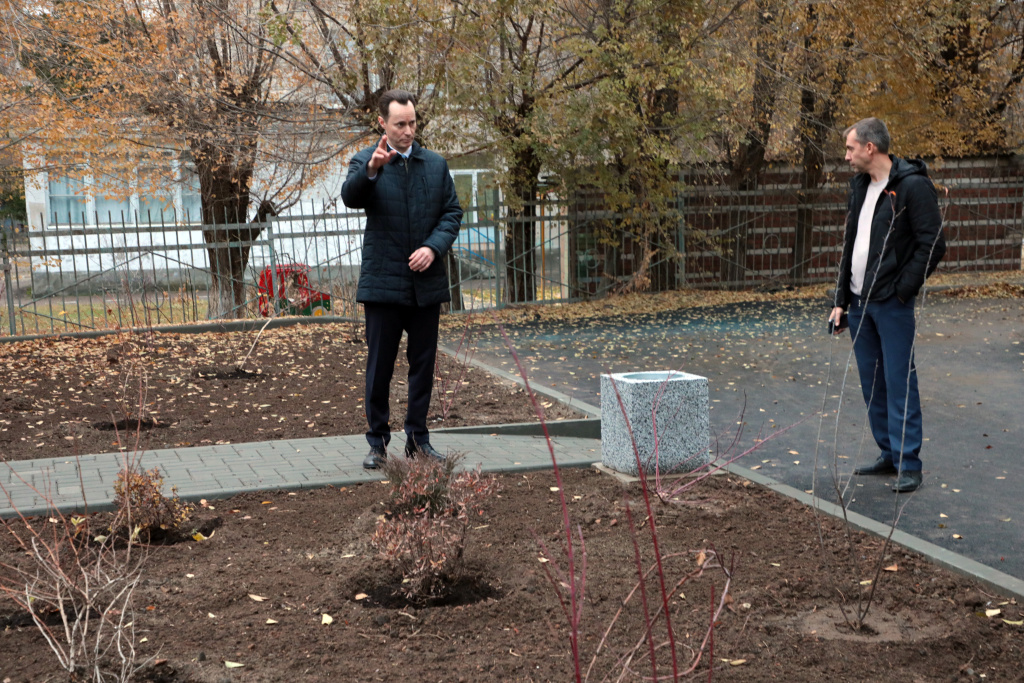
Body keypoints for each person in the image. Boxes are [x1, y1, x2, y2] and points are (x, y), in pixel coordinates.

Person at [341, 89, 462, 470]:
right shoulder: (365, 162)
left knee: (423, 367)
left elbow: (452, 213)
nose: (408, 131)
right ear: (383, 124)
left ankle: (418, 440)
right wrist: (372, 170)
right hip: (383, 286)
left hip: (425, 288)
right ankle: (377, 443)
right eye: (400, 124)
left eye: (412, 123)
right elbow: (350, 197)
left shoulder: (435, 165)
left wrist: (433, 247)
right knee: (379, 367)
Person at [829, 117, 945, 493]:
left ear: (870, 148)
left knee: (900, 384)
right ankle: (889, 454)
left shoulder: (913, 187)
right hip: (860, 305)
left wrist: (902, 290)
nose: (846, 156)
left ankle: (909, 463)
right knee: (873, 385)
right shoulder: (861, 187)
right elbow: (851, 245)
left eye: (849, 148)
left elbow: (934, 244)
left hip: (892, 305)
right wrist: (841, 301)